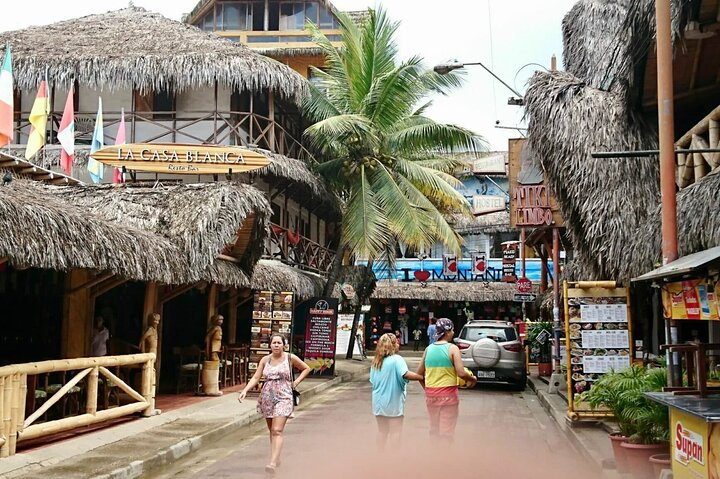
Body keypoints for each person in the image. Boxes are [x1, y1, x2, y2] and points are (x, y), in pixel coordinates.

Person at [238, 334, 311, 474]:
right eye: (274, 343)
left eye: (279, 343)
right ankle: (276, 457)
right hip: (267, 397)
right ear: (270, 345)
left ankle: (271, 463)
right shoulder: (265, 360)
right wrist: (246, 390)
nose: (276, 345)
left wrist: (295, 383)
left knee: (277, 430)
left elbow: (306, 368)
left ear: (284, 345)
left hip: (284, 397)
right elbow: (256, 377)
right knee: (272, 430)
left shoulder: (290, 358)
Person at [417, 318, 476, 441]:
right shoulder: (453, 348)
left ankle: (434, 454)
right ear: (447, 332)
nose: (454, 333)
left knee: (434, 428)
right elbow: (461, 373)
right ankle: (444, 457)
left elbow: (419, 375)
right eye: (453, 330)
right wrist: (473, 379)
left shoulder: (428, 349)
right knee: (446, 432)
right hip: (448, 396)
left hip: (431, 395)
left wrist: (427, 388)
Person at [370, 333, 423, 451]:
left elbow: (373, 381)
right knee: (395, 432)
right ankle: (394, 459)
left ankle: (379, 456)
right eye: (397, 342)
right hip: (392, 404)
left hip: (378, 403)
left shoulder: (376, 362)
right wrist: (421, 377)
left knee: (382, 432)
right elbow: (406, 374)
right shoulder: (397, 360)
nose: (399, 344)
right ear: (393, 345)